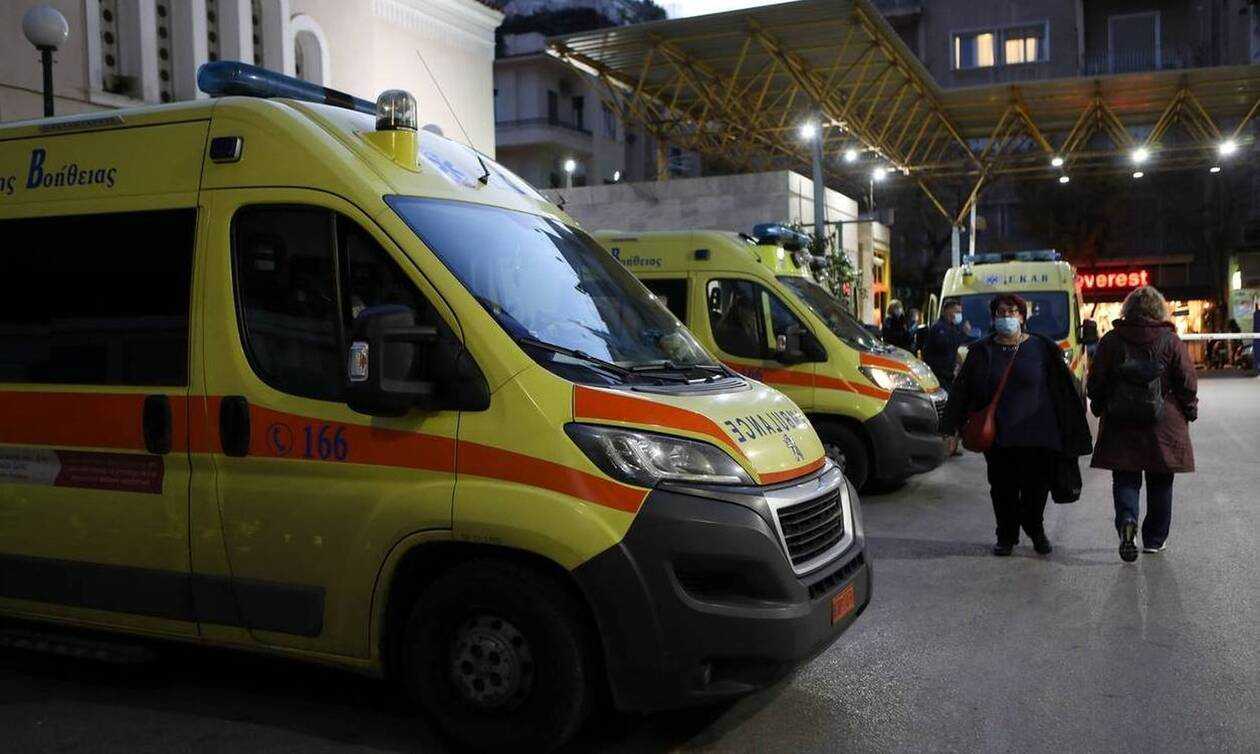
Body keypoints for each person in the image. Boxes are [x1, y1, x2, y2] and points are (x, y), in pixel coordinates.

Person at [942, 294, 1092, 557]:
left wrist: (1071, 427)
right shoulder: (981, 351)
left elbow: (1064, 388)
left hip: (1040, 434)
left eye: (1012, 311)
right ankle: (1006, 536)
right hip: (999, 435)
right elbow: (962, 390)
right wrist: (950, 427)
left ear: (1023, 317)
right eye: (1001, 312)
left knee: (1036, 490)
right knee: (1003, 489)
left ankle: (1036, 529)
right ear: (994, 318)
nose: (1007, 317)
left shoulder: (1043, 347)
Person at [1086, 286, 1197, 563]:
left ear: (1128, 310)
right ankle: (1154, 540)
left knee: (1125, 477)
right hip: (1163, 422)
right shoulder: (1171, 340)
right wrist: (1189, 411)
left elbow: (1096, 380)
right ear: (1159, 310)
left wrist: (1099, 406)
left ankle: (1127, 520)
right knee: (1161, 481)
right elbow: (1186, 381)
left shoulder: (1111, 340)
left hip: (1120, 420)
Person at [921, 299, 971, 391]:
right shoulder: (939, 328)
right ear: (948, 311)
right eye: (957, 312)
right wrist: (964, 334)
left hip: (949, 375)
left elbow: (954, 349)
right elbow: (948, 345)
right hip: (939, 376)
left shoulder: (953, 327)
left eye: (960, 312)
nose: (959, 315)